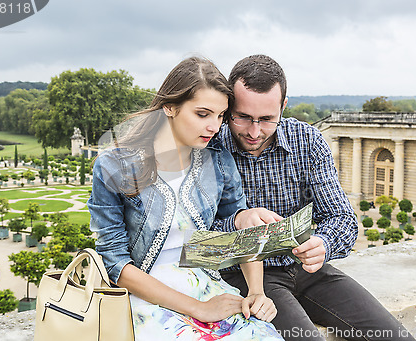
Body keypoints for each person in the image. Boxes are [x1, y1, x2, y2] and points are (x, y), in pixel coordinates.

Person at [213, 54, 416, 341]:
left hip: (309, 270)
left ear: (283, 106)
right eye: (243, 117)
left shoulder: (307, 140)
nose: (254, 131)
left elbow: (343, 219)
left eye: (268, 119)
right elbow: (194, 242)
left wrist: (323, 244)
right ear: (229, 106)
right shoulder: (209, 147)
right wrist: (236, 222)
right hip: (248, 280)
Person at [87, 56, 283, 340]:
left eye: (220, 116)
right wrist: (199, 309)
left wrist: (256, 293)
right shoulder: (114, 165)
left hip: (207, 285)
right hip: (145, 295)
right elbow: (115, 263)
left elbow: (243, 233)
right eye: (203, 114)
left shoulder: (218, 162)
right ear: (170, 106)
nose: (214, 127)